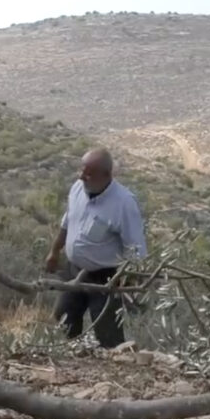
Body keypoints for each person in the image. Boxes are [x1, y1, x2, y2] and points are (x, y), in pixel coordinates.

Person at [45, 147, 147, 349]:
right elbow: (67, 223)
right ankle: (73, 359)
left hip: (106, 278)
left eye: (89, 174)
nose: (82, 177)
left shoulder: (124, 203)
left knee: (106, 332)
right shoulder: (77, 188)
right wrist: (54, 251)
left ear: (107, 175)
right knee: (64, 319)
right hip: (74, 270)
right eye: (81, 171)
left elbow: (135, 249)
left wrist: (127, 282)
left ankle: (114, 370)